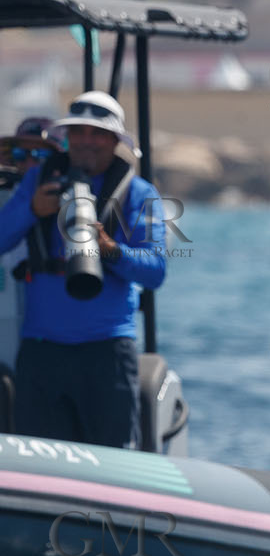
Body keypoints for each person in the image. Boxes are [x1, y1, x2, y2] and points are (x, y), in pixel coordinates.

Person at [0, 92, 166, 448]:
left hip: (107, 352)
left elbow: (155, 271)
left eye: (97, 134)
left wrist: (111, 251)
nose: (86, 141)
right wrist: (32, 209)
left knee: (116, 470)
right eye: (78, 133)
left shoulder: (139, 193)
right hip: (42, 352)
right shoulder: (38, 182)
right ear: (67, 138)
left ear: (114, 141)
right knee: (40, 474)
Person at [0, 116, 61, 190]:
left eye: (40, 154)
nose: (29, 163)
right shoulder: (3, 193)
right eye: (19, 153)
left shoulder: (70, 195)